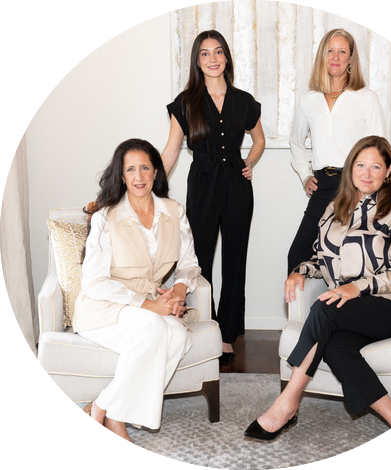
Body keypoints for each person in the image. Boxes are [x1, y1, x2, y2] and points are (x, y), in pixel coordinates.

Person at [245, 136, 391, 441]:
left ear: (388, 172)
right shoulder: (333, 210)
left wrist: (357, 287)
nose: (366, 173)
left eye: (376, 167)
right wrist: (300, 271)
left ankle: (287, 403)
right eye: (360, 165)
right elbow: (323, 260)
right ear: (350, 168)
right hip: (351, 309)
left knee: (325, 308)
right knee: (335, 347)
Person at [73, 138, 201, 441]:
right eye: (130, 169)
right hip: (103, 306)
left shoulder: (174, 211)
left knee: (179, 334)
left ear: (156, 172)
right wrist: (148, 305)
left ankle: (102, 407)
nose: (139, 176)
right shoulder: (106, 216)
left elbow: (188, 263)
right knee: (154, 328)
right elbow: (93, 282)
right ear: (121, 176)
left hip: (149, 303)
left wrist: (179, 290)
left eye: (145, 167)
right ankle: (116, 420)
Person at [162, 30, 265, 361]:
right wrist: (149, 187)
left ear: (226, 57)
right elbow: (170, 151)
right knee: (199, 259)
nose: (213, 58)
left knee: (235, 261)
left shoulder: (244, 101)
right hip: (202, 185)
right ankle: (204, 326)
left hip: (237, 186)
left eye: (218, 51)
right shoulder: (185, 103)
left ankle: (227, 334)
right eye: (205, 53)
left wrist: (249, 162)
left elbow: (259, 140)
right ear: (197, 61)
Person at [287, 29, 387, 274]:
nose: (335, 56)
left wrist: (369, 187)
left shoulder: (366, 97)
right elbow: (296, 142)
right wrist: (304, 174)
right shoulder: (309, 100)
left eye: (342, 51)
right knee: (298, 255)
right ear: (322, 56)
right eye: (330, 50)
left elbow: (380, 147)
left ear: (351, 58)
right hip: (324, 184)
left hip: (357, 185)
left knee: (353, 258)